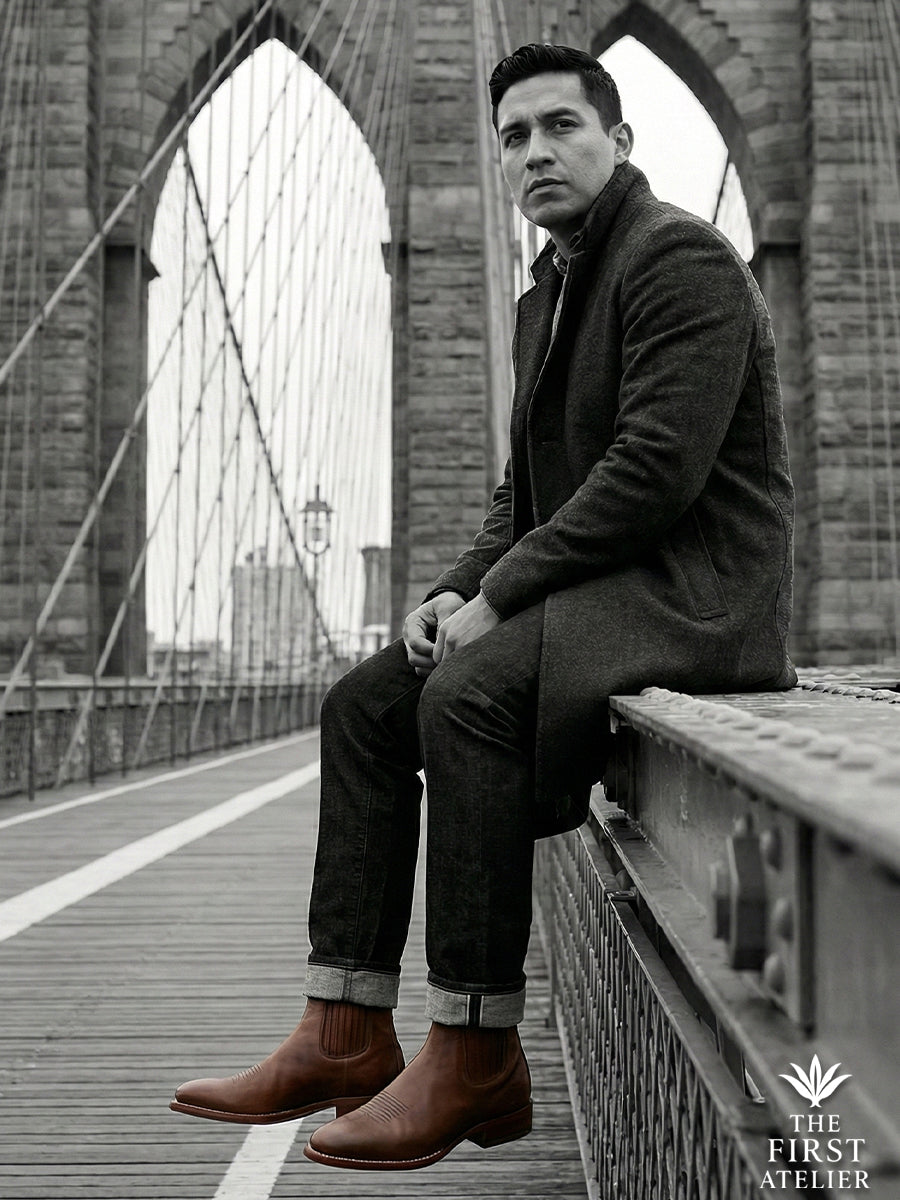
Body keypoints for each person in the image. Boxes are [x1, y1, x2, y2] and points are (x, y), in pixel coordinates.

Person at [169, 43, 796, 1171]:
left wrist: (501, 600)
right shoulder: (544, 296)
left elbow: (652, 473)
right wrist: (456, 589)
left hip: (695, 598)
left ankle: (475, 1047)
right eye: (514, 137)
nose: (535, 153)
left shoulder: (679, 259)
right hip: (605, 593)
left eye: (561, 126)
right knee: (366, 705)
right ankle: (346, 1027)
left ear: (619, 140)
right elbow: (526, 497)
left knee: (466, 699)